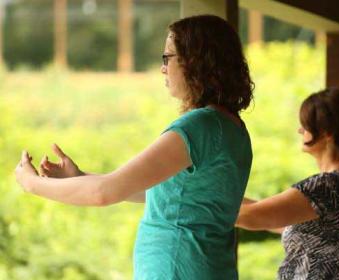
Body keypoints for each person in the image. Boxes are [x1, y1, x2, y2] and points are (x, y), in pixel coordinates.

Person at [15, 15, 254, 279]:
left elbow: (103, 194)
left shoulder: (199, 127)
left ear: (195, 60)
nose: (163, 68)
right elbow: (163, 194)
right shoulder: (231, 128)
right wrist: (79, 178)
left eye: (167, 58)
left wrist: (31, 183)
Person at [236, 88, 339, 279]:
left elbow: (250, 216)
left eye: (306, 125)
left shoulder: (327, 187)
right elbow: (267, 215)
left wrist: (193, 196)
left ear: (327, 133)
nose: (300, 129)